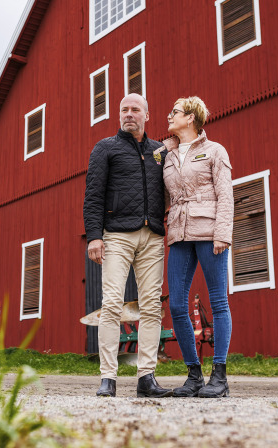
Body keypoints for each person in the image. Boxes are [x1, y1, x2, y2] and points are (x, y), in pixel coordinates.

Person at [83, 93, 172, 398]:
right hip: (117, 235)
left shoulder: (159, 151)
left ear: (147, 114)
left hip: (153, 236)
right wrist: (94, 236)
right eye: (124, 109)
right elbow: (93, 195)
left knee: (151, 306)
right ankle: (108, 377)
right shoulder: (105, 148)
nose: (129, 114)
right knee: (111, 304)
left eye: (135, 109)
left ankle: (146, 377)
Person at [161, 96, 233, 398]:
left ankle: (219, 376)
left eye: (174, 112)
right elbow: (164, 196)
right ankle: (193, 375)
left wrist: (222, 234)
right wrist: (160, 151)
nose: (169, 116)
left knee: (218, 301)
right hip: (179, 233)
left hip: (209, 230)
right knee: (176, 304)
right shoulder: (167, 155)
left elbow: (225, 194)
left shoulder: (215, 151)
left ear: (190, 118)